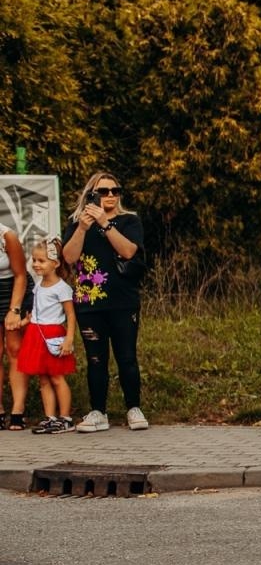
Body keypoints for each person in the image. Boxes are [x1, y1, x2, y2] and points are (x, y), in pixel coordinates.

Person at [61, 171, 147, 432]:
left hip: (122, 301)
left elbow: (128, 251)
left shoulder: (129, 220)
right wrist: (85, 227)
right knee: (96, 359)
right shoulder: (77, 223)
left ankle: (133, 408)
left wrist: (105, 224)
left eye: (115, 190)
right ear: (91, 194)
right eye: (104, 191)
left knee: (127, 356)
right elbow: (69, 257)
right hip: (90, 302)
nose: (110, 195)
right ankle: (98, 411)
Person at [16, 237, 76, 433]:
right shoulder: (38, 285)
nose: (35, 264)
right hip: (36, 334)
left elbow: (70, 315)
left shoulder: (62, 288)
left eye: (41, 261)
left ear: (55, 263)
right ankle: (50, 417)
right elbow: (36, 311)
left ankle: (65, 418)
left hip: (53, 334)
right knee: (43, 379)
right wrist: (24, 322)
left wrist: (69, 339)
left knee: (57, 377)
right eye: (34, 260)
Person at [1, 220, 25, 430]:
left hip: (10, 290)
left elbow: (21, 275)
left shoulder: (7, 235)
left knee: (14, 349)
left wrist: (14, 310)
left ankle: (18, 410)